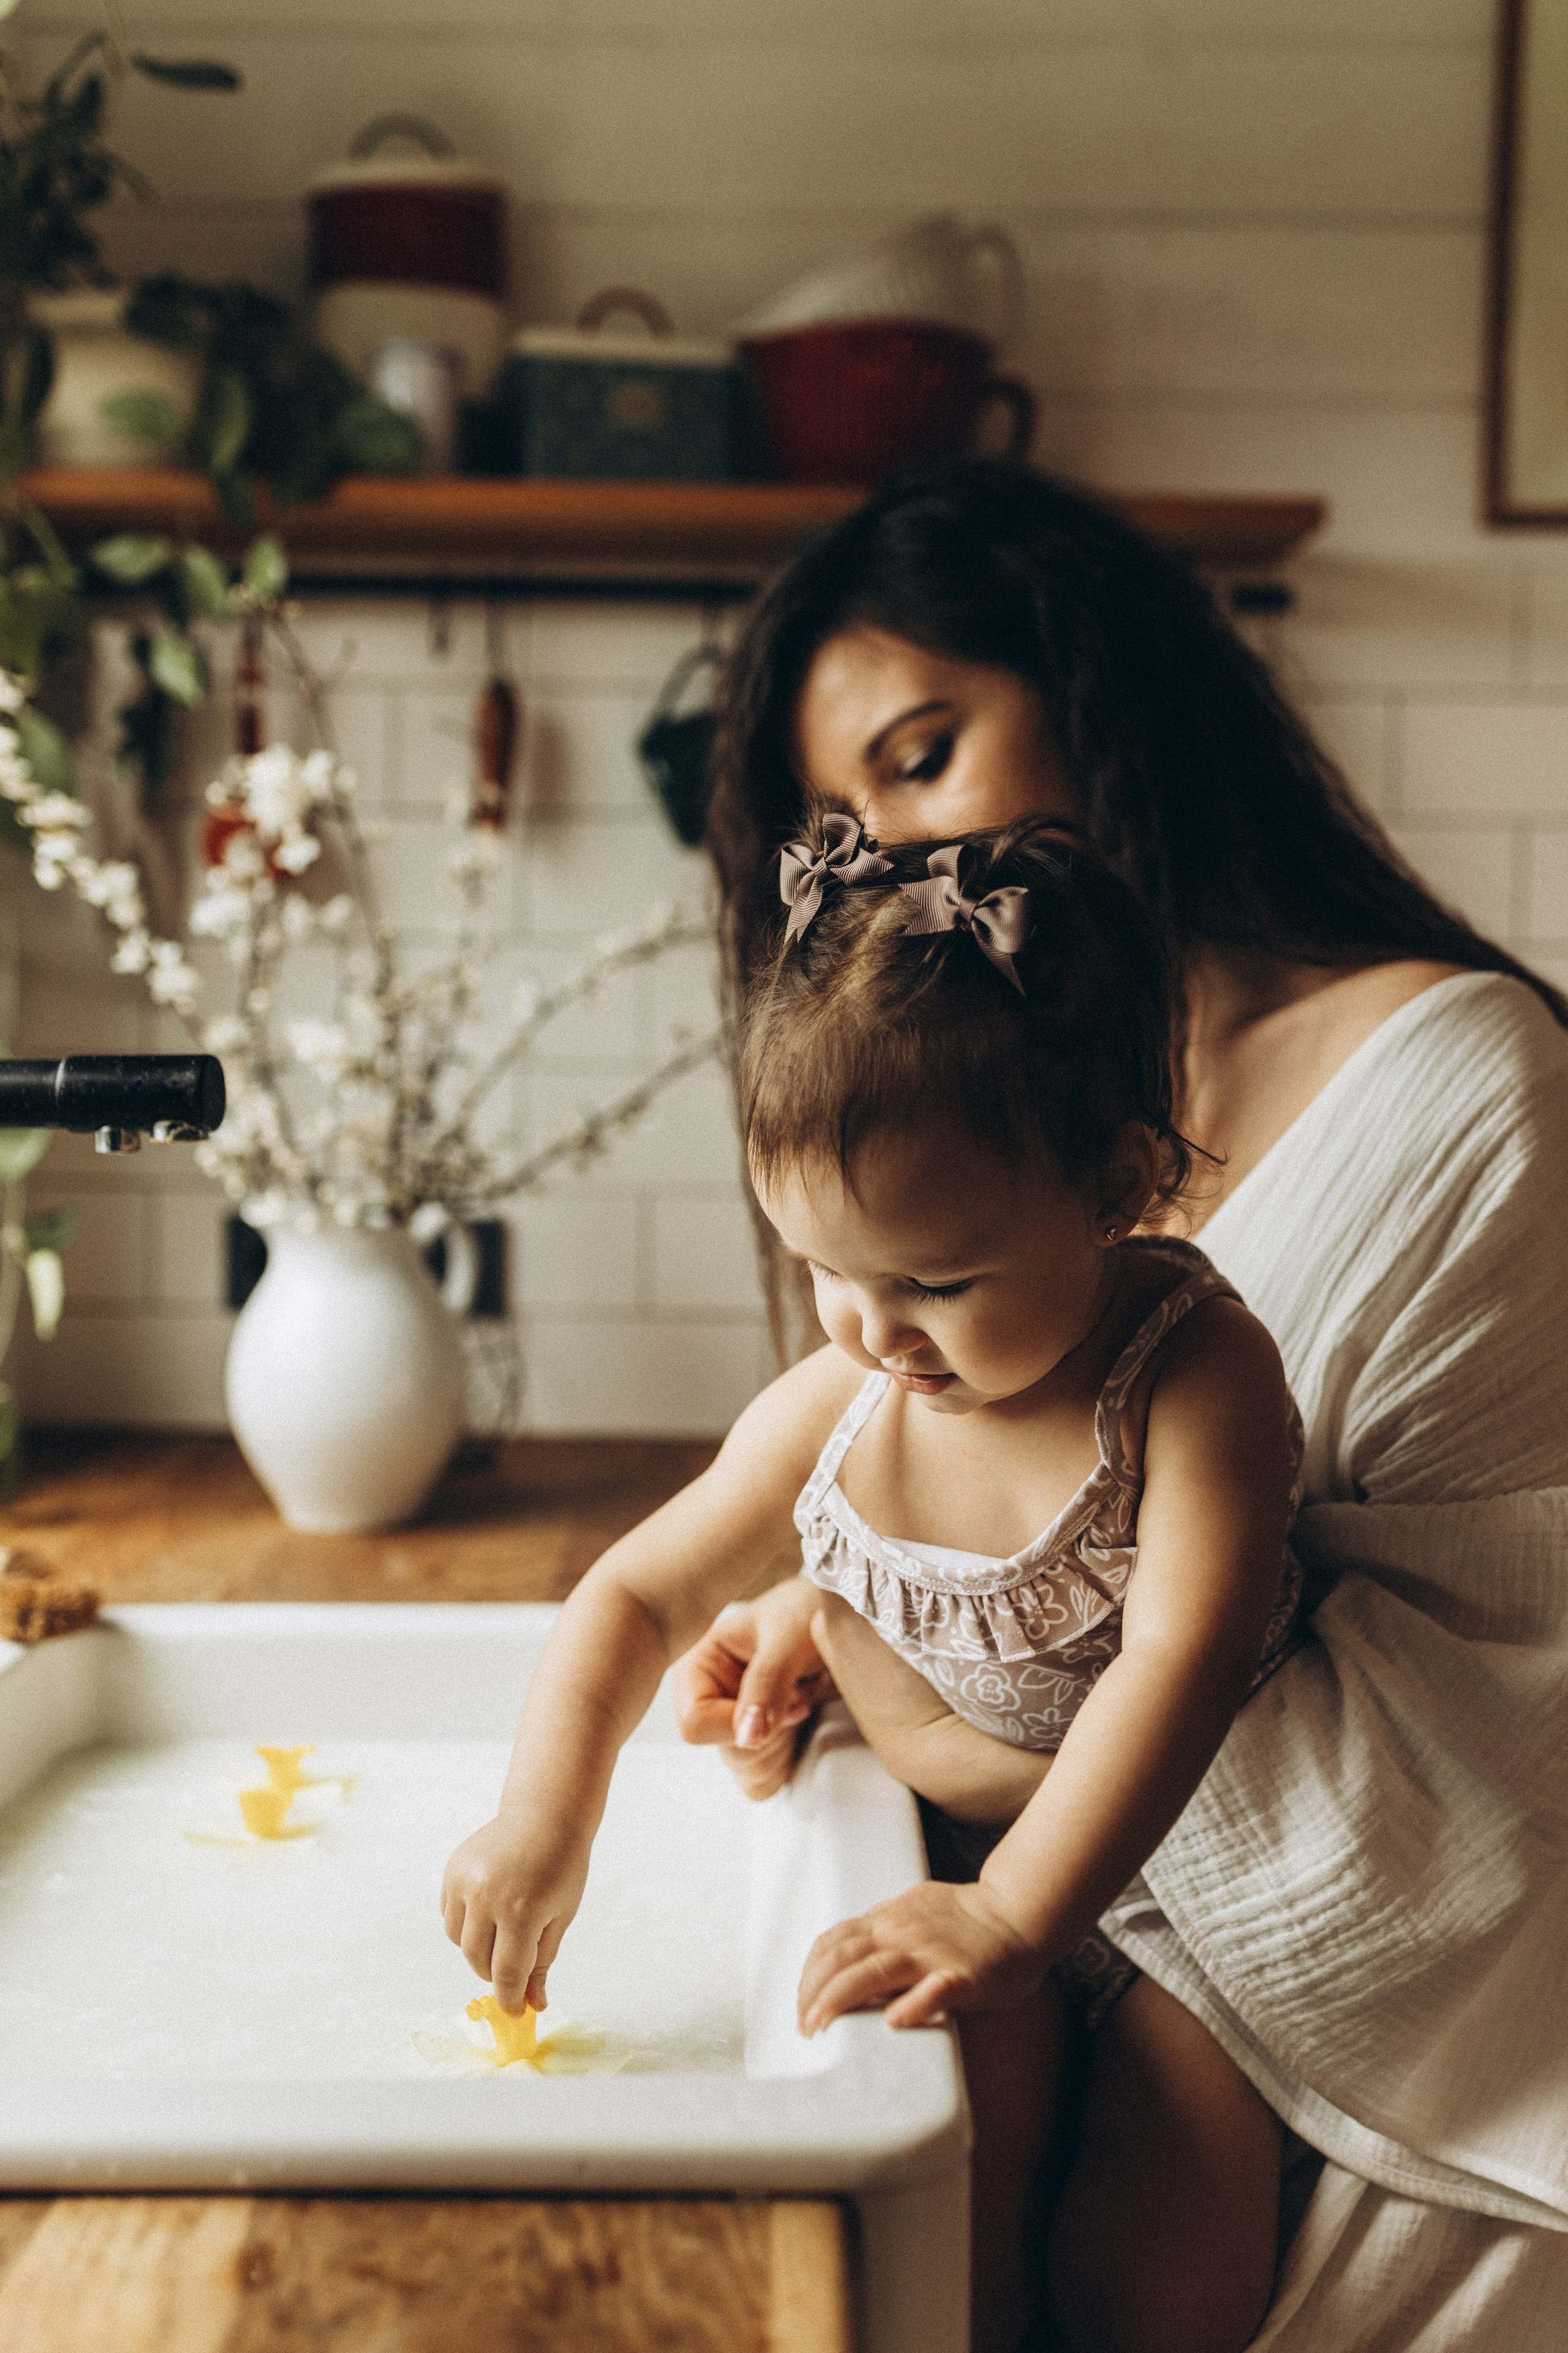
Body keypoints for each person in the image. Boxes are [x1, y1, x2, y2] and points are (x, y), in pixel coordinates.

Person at [679, 460, 1568, 2352]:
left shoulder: (1466, 1088)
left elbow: (1487, 1662)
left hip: (1338, 2026)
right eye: (840, 819)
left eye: (925, 757)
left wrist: (942, 1700)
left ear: (1098, 698)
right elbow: (1003, 1490)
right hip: (1027, 1935)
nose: (893, 853)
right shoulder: (959, 1156)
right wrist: (837, 1605)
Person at [442, 813, 1308, 2353]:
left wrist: (1018, 1918)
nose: (872, 1331)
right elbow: (628, 1598)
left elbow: (1174, 1661)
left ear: (1119, 1180)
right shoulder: (840, 1408)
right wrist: (540, 1820)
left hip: (1198, 1884)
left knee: (1155, 2287)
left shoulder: (1192, 1382)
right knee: (945, 2218)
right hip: (970, 1869)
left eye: (938, 1280)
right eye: (828, 1268)